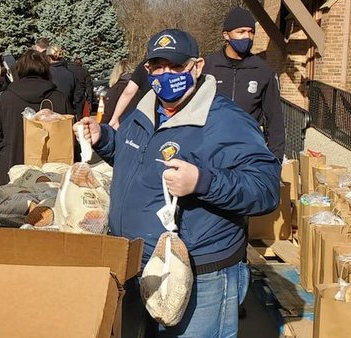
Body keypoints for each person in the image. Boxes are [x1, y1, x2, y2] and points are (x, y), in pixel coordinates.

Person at [74, 28, 280, 337]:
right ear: (148, 70)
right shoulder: (143, 110)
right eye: (158, 66)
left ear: (197, 67)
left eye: (176, 66)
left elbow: (265, 189)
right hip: (138, 265)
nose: (166, 75)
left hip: (200, 273)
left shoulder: (226, 120)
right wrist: (104, 139)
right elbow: (135, 157)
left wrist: (203, 182)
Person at [203, 7, 285, 160]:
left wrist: (276, 159)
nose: (247, 37)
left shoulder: (263, 71)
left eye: (251, 32)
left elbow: (275, 120)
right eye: (240, 32)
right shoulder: (208, 67)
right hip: (210, 150)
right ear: (226, 35)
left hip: (247, 151)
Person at [0, 49, 72, 185]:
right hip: (51, 171)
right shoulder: (59, 98)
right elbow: (70, 136)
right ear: (46, 70)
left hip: (13, 168)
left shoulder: (7, 98)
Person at [107, 58, 150, 129]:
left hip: (124, 126)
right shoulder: (139, 86)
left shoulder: (116, 88)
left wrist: (113, 120)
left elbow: (128, 93)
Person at [46, 45, 81, 119]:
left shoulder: (45, 73)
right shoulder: (71, 74)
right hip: (67, 115)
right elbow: (78, 97)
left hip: (49, 115)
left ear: (48, 57)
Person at [101, 59, 132, 124]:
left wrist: (101, 126)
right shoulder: (139, 87)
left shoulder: (116, 89)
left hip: (121, 126)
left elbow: (108, 113)